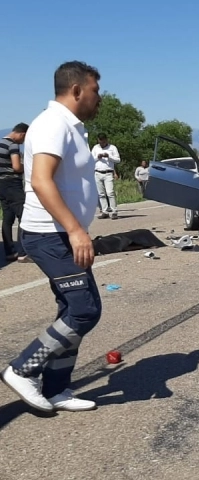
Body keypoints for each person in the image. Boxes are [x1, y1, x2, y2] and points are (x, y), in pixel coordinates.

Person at [1, 61, 103, 412]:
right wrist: (75, 230)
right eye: (95, 90)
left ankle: (58, 389)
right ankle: (22, 369)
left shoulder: (71, 127)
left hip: (63, 233)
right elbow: (42, 180)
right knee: (84, 310)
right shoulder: (51, 124)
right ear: (76, 90)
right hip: (50, 234)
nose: (98, 98)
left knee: (70, 309)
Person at [0, 123, 30, 262]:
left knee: (7, 218)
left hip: (1, 184)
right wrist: (27, 167)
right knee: (23, 215)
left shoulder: (1, 143)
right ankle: (23, 252)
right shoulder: (12, 145)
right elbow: (17, 167)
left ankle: (9, 252)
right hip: (12, 183)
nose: (22, 142)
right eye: (24, 139)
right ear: (22, 134)